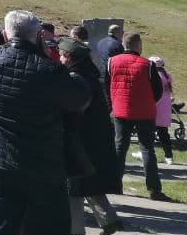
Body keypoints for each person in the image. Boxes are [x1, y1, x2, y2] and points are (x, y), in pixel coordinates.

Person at [0, 10, 91, 234]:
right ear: (38, 35)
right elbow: (80, 99)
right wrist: (74, 75)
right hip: (43, 163)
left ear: (5, 34)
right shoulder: (50, 71)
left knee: (3, 225)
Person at [57, 36, 122, 235]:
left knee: (74, 190)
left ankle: (75, 231)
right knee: (89, 183)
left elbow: (73, 110)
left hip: (79, 141)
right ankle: (109, 219)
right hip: (94, 141)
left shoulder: (77, 79)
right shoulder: (90, 75)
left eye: (61, 55)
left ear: (68, 57)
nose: (59, 59)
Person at [107, 32, 169, 201]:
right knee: (147, 149)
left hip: (120, 110)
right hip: (144, 111)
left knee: (119, 147)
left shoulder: (111, 62)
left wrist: (113, 103)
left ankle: (114, 184)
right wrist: (148, 101)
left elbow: (106, 85)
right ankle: (154, 190)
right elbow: (158, 91)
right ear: (137, 45)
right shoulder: (147, 65)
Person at [149, 56, 175, 164]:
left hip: (155, 108)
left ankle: (147, 154)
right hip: (165, 109)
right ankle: (169, 156)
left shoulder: (155, 77)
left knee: (148, 133)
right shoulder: (167, 76)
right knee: (164, 134)